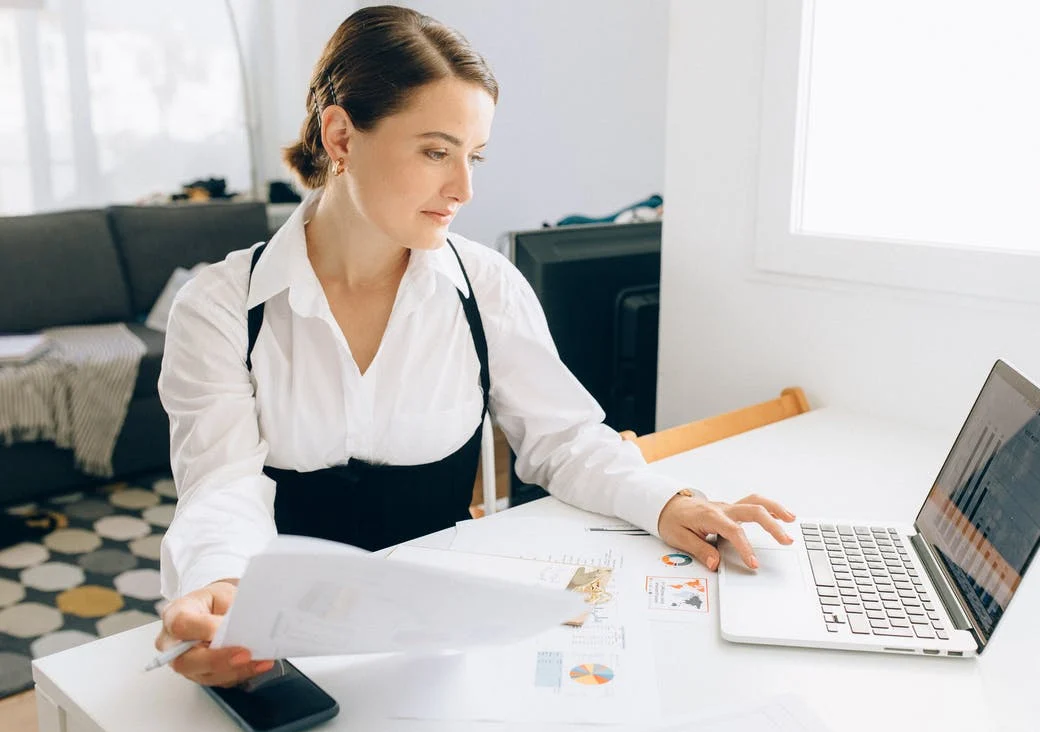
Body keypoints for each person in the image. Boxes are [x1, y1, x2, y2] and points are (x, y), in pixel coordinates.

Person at [155, 5, 796, 688]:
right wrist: (224, 592)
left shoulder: (485, 285)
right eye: (436, 151)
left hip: (433, 641)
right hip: (281, 642)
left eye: (473, 155)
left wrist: (667, 502)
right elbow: (220, 489)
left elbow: (564, 440)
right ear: (340, 135)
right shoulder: (221, 306)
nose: (464, 188)